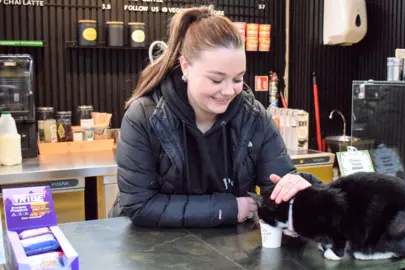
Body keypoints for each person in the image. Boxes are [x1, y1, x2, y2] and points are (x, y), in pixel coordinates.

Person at [111, 6, 321, 228]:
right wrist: (227, 208)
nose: (229, 91)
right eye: (216, 80)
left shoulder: (254, 117)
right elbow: (140, 206)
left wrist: (298, 188)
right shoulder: (144, 116)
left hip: (229, 251)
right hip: (149, 248)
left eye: (238, 79)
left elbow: (278, 189)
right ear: (186, 67)